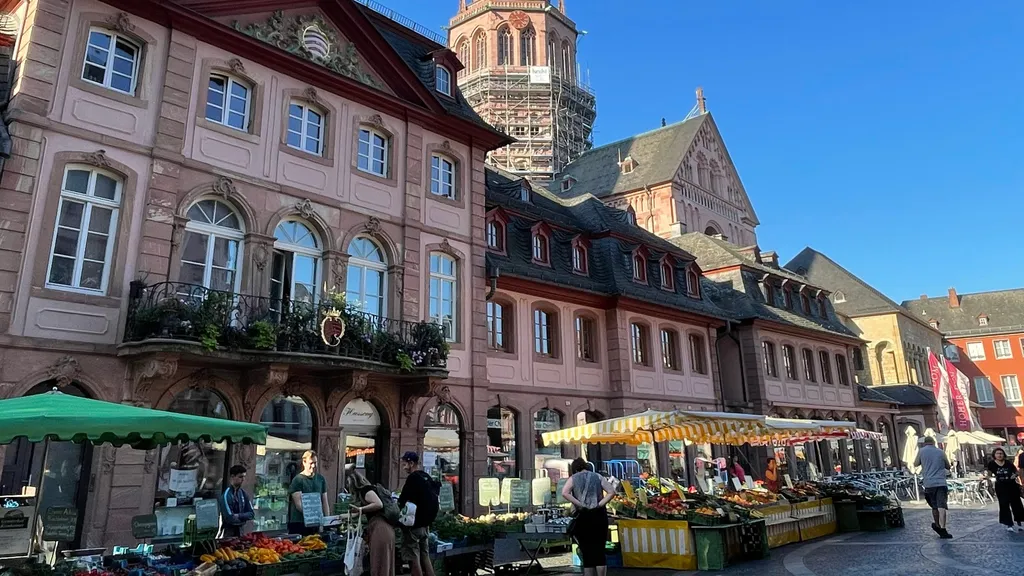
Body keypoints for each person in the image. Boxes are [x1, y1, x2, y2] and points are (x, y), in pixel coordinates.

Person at [562, 458, 614, 576]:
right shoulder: (598, 476)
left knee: (587, 552)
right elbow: (611, 492)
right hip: (599, 515)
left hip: (583, 516)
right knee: (599, 550)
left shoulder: (573, 478)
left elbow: (564, 492)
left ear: (575, 468)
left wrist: (579, 504)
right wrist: (600, 504)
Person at [398, 452, 439, 576]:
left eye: (405, 464)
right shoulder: (425, 476)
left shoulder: (413, 478)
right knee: (425, 555)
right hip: (426, 525)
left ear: (411, 463)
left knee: (413, 557)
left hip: (414, 526)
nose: (404, 467)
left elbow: (402, 499)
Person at [347, 472, 396, 576]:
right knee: (384, 566)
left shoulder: (366, 490)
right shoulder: (369, 490)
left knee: (379, 565)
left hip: (380, 530)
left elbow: (378, 504)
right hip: (384, 530)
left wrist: (360, 509)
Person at [913, 436, 952, 538]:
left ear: (925, 443)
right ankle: (943, 528)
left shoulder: (921, 451)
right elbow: (948, 466)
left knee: (934, 506)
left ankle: (937, 524)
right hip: (941, 482)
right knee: (942, 506)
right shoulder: (940, 452)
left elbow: (915, 464)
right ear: (934, 443)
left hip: (929, 483)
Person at [288, 450, 330, 535]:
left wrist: (327, 521)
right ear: (304, 462)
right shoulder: (298, 480)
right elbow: (298, 504)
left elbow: (325, 502)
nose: (314, 466)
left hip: (316, 523)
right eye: (311, 463)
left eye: (315, 462)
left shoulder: (321, 479)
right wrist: (312, 514)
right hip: (299, 522)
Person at [985, 448, 1024, 532]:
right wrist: (990, 478)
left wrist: (1015, 475)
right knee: (1004, 504)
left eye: (1001, 453)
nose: (1000, 455)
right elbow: (988, 474)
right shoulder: (991, 464)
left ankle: (1020, 522)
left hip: (1012, 485)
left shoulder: (1008, 463)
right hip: (1001, 486)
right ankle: (1009, 524)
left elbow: (1016, 471)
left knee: (1016, 504)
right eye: (998, 453)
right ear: (994, 455)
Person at [221, 465, 254, 537]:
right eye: (240, 477)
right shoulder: (227, 494)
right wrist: (244, 517)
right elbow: (230, 518)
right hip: (229, 531)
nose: (243, 479)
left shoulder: (243, 493)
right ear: (232, 477)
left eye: (244, 476)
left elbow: (251, 514)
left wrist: (238, 515)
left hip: (241, 530)